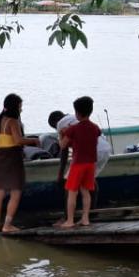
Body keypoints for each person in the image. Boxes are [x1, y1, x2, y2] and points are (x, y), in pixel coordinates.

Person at [0, 94, 41, 233]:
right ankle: (7, 225)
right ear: (15, 107)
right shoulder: (12, 122)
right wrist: (34, 141)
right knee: (16, 191)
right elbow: (18, 141)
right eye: (20, 107)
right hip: (12, 156)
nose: (21, 110)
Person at [55, 96, 101, 228]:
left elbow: (63, 146)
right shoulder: (95, 127)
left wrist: (62, 134)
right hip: (91, 163)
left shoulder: (73, 129)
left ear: (77, 113)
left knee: (72, 192)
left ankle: (70, 220)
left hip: (78, 163)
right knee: (85, 191)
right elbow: (95, 134)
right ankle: (85, 219)